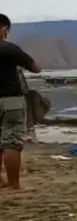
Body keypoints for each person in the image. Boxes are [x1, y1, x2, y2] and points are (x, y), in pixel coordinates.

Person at [0, 13, 41, 191]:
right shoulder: (9, 49)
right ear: (4, 30)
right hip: (10, 101)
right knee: (12, 143)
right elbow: (35, 68)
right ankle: (14, 185)